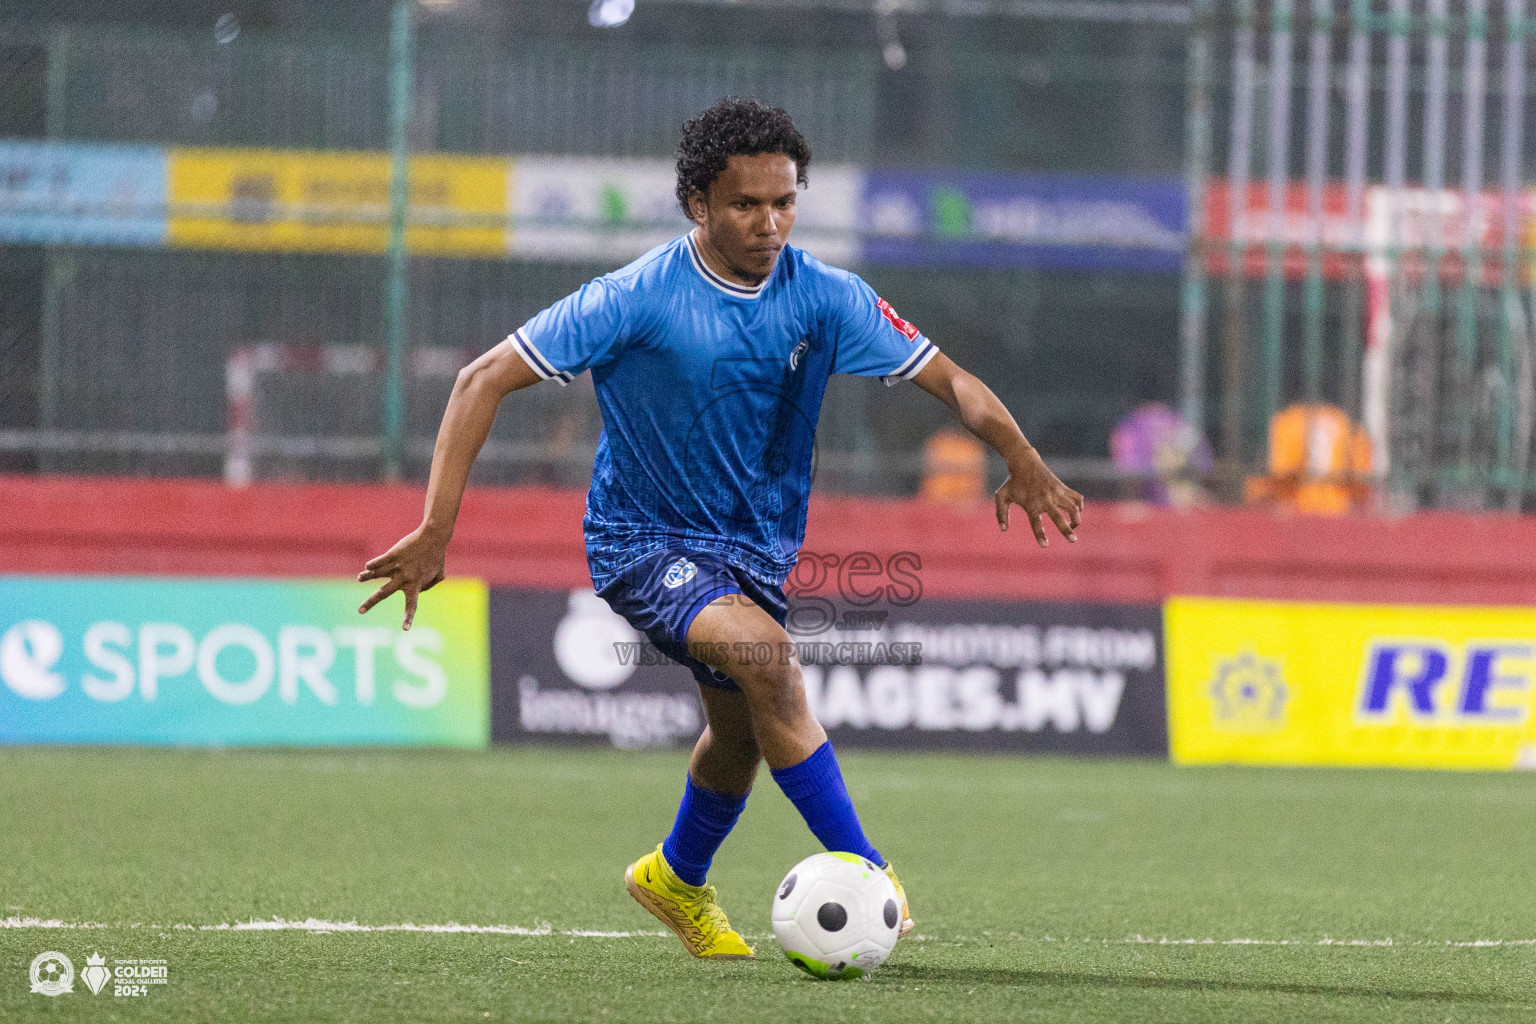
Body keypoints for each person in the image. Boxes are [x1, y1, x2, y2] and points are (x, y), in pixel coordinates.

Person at [357, 98, 1083, 960]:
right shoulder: (633, 298)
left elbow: (951, 381)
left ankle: (674, 876)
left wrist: (1023, 456)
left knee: (740, 731)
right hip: (642, 543)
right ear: (698, 203)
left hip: (757, 552)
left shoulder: (825, 296)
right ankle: (868, 868)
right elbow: (480, 380)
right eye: (746, 205)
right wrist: (438, 527)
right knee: (771, 663)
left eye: (784, 203)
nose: (769, 223)